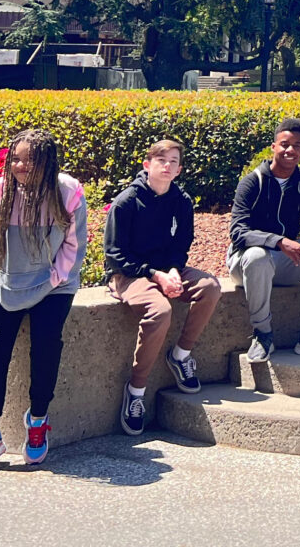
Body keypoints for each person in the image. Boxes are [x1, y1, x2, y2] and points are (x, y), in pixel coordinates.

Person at [0, 129, 89, 476]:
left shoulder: (68, 192)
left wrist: (50, 280)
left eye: (30, 159)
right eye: (15, 158)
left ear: (48, 162)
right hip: (4, 282)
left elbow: (75, 247)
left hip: (53, 284)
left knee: (46, 348)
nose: (20, 165)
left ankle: (37, 420)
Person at [103, 138, 222, 435]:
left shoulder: (181, 201)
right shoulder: (127, 201)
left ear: (179, 169)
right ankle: (136, 390)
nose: (167, 166)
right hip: (128, 274)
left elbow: (181, 244)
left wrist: (171, 269)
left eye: (173, 161)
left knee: (210, 287)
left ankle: (181, 355)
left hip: (165, 269)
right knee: (160, 311)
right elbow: (114, 255)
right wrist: (155, 275)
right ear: (147, 165)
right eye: (161, 160)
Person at [228, 118, 300, 361]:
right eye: (285, 144)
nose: (290, 150)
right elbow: (238, 232)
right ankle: (262, 334)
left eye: (297, 145)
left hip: (284, 263)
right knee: (258, 255)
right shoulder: (253, 182)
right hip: (247, 264)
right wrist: (278, 241)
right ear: (273, 147)